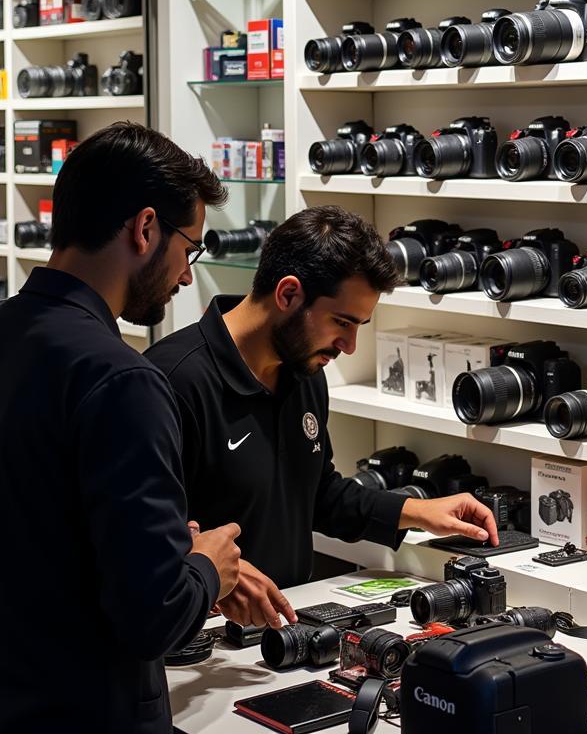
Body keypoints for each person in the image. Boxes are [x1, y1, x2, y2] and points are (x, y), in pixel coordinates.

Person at [145, 205, 498, 630]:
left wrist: (417, 511)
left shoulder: (305, 370)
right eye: (342, 322)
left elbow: (317, 494)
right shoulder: (168, 380)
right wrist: (207, 568)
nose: (348, 345)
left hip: (288, 629)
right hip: (197, 644)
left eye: (359, 326)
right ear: (288, 294)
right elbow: (137, 541)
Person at [0, 122, 242, 734]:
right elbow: (151, 617)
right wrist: (207, 566)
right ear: (145, 229)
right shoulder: (123, 382)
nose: (187, 276)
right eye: (190, 248)